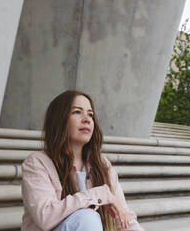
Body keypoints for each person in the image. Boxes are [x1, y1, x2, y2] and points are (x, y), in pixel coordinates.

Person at [21, 90, 144, 231]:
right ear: (59, 119)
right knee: (87, 218)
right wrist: (99, 194)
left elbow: (125, 218)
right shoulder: (37, 163)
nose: (87, 119)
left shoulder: (102, 165)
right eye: (77, 112)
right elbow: (46, 217)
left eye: (90, 114)